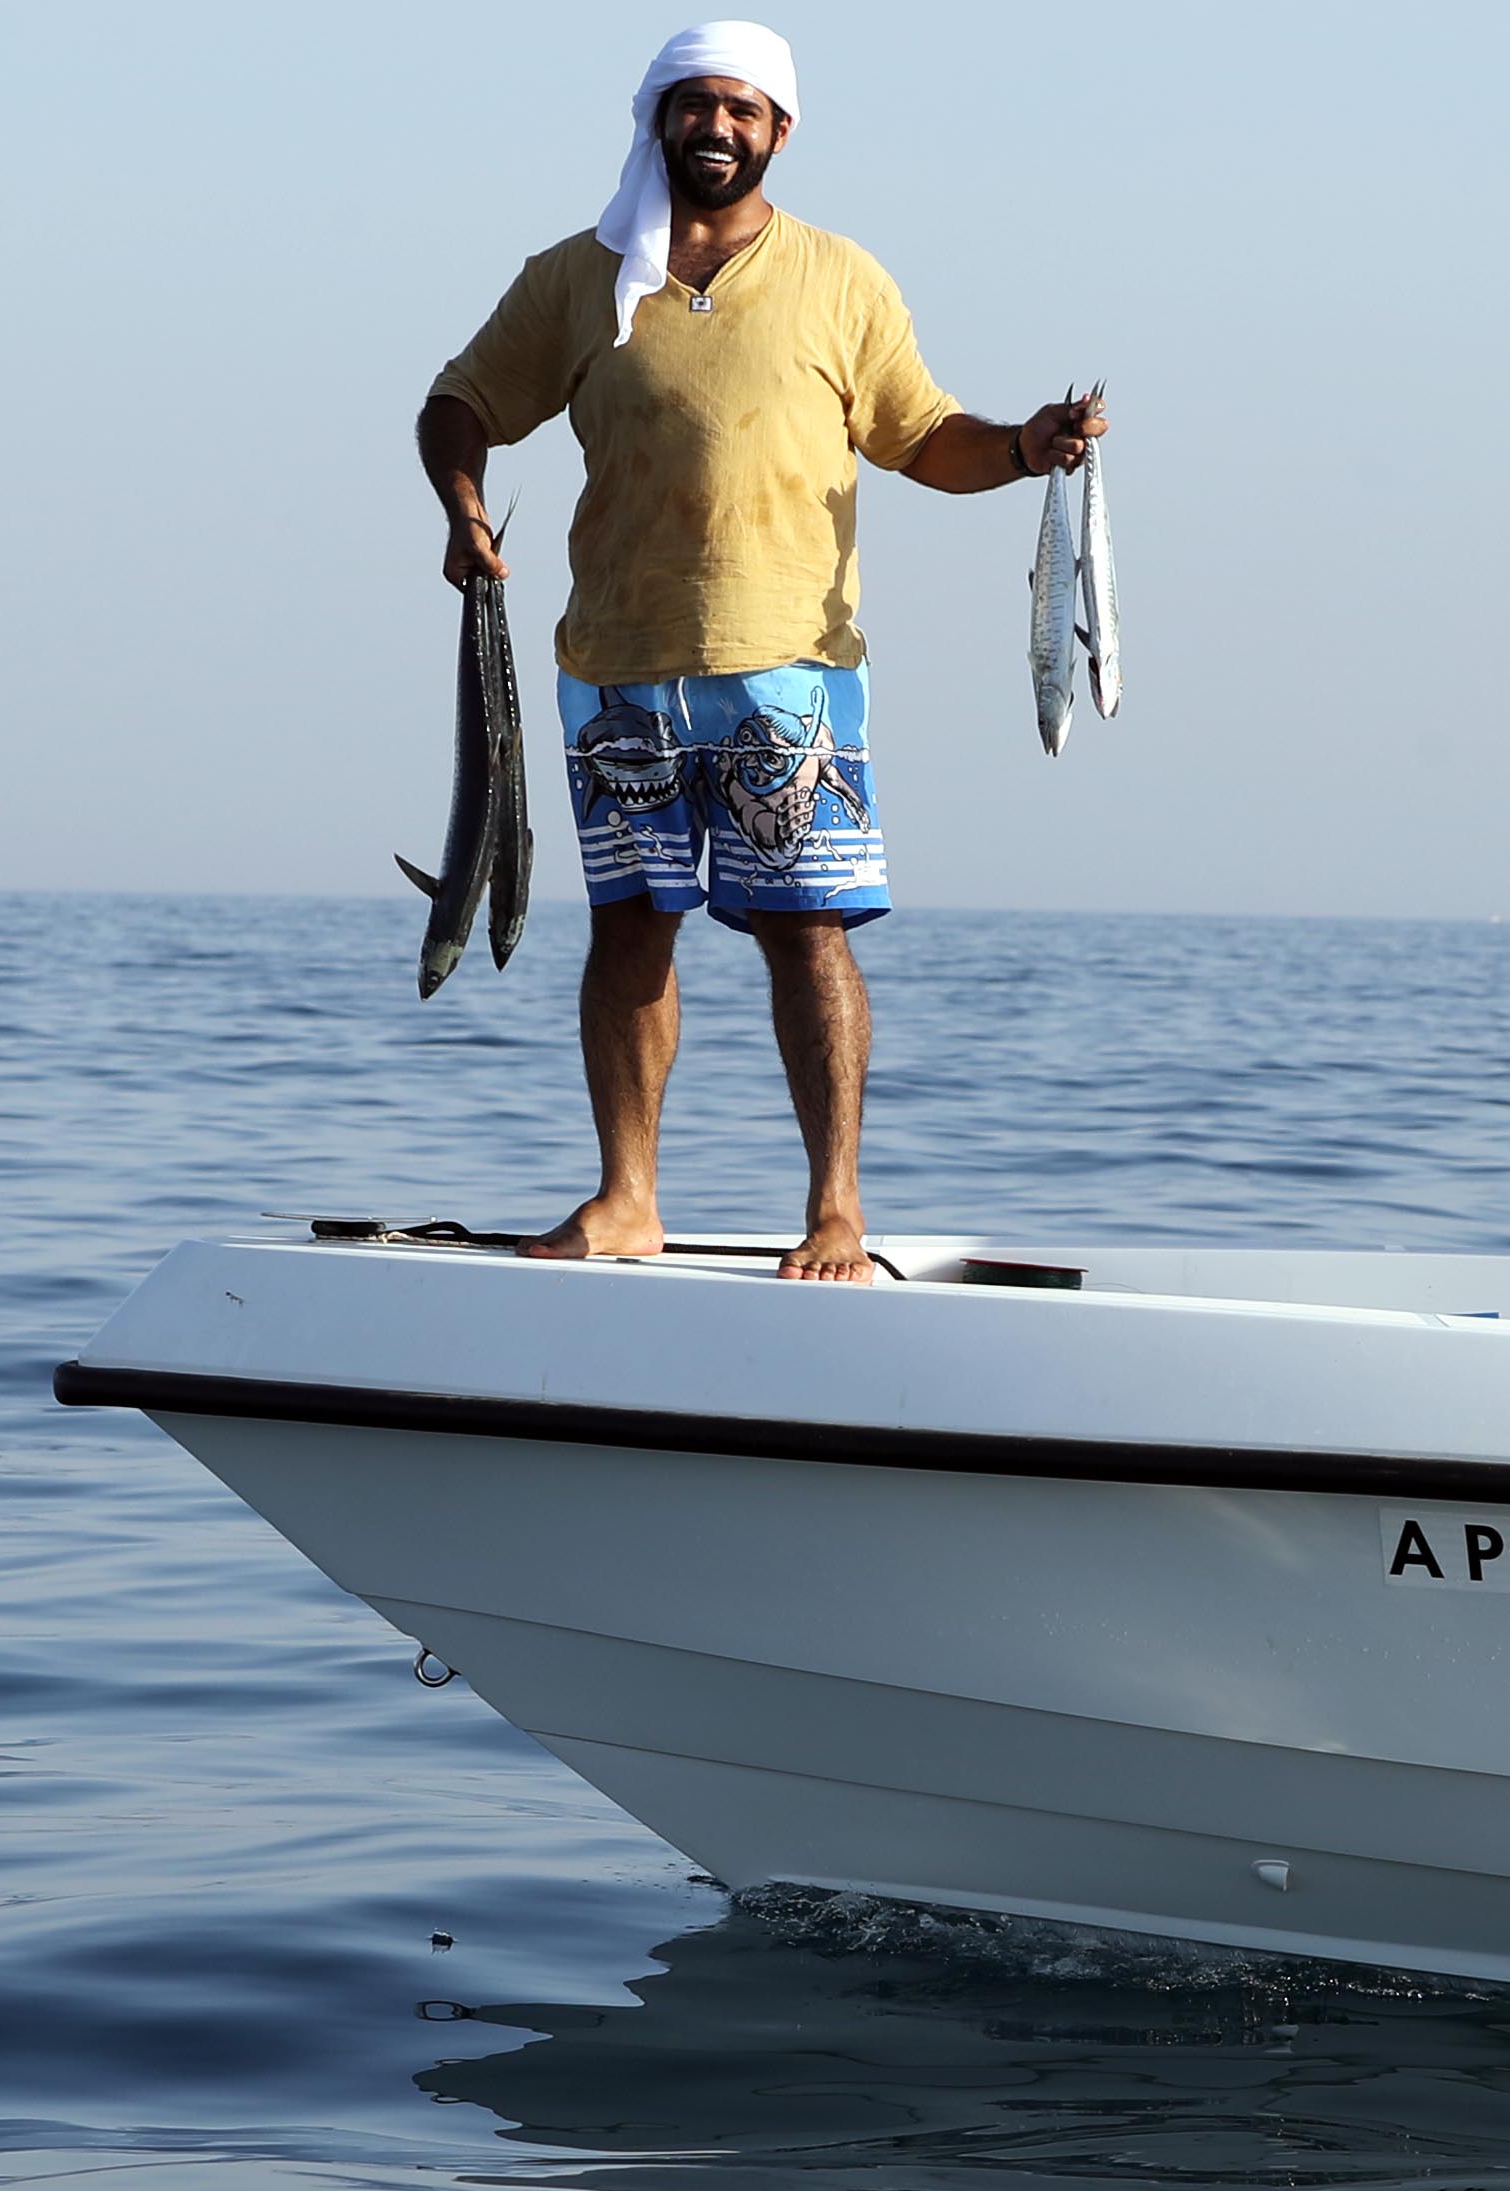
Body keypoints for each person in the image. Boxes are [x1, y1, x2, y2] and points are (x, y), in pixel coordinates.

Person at [416, 23, 1108, 1281]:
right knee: (630, 928)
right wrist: (466, 509)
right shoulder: (577, 279)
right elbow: (458, 401)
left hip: (788, 668)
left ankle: (836, 1212)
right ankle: (628, 1201)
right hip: (615, 663)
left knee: (809, 935)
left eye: (742, 111)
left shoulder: (842, 279)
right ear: (658, 122)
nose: (717, 129)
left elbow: (922, 437)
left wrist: (1023, 445)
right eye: (695, 108)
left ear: (779, 131)